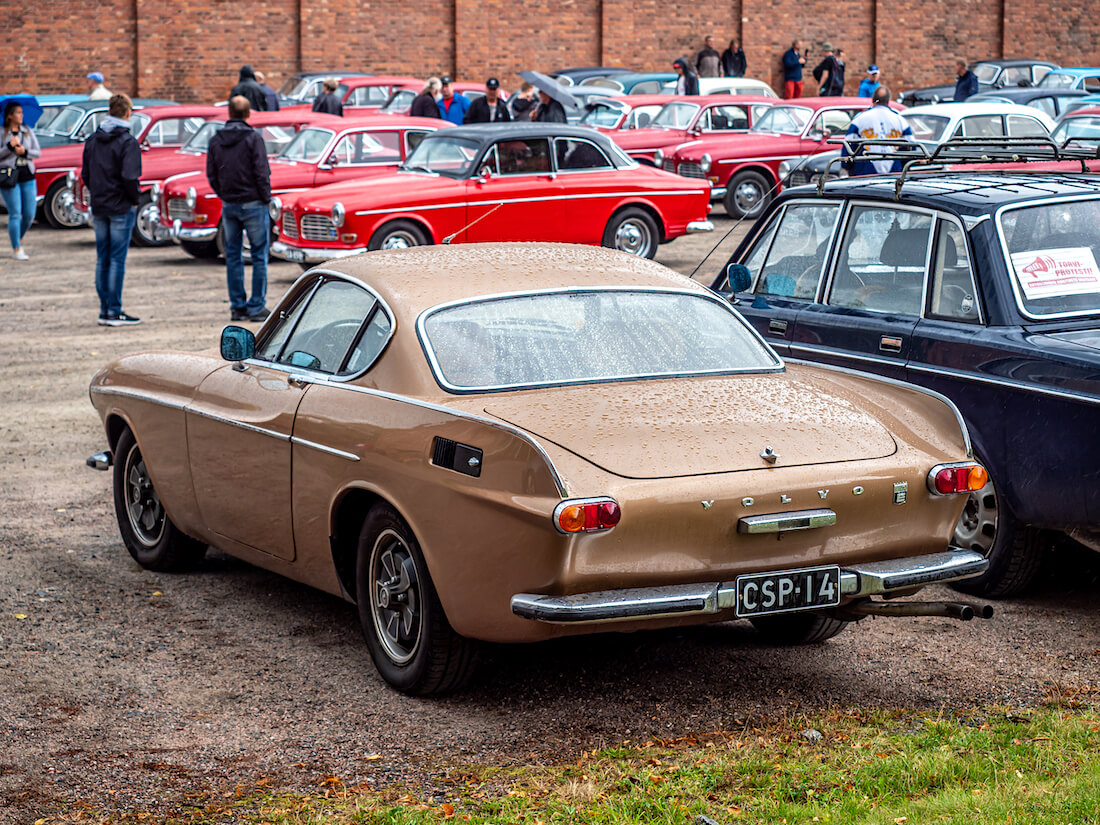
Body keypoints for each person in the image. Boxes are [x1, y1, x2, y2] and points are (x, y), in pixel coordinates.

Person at [207, 96, 271, 323]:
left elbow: (211, 173)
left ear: (229, 113)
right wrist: (266, 198)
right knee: (259, 255)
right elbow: (261, 172)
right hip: (253, 202)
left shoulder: (216, 140)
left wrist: (223, 194)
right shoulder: (253, 138)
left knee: (233, 255)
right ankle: (256, 306)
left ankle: (237, 305)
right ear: (247, 114)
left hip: (230, 203)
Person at [81, 93, 141, 325]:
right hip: (120, 206)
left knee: (102, 258)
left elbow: (85, 173)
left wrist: (97, 192)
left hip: (100, 204)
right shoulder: (127, 142)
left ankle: (105, 309)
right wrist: (134, 199)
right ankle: (114, 310)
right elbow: (130, 176)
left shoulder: (93, 140)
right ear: (127, 113)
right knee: (116, 259)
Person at [841, 86, 913, 176]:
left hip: (864, 173)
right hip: (894, 174)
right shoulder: (900, 120)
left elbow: (848, 146)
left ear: (873, 99)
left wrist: (847, 167)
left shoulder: (859, 119)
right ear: (888, 100)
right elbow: (911, 148)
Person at [1, 100, 41, 261]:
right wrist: (9, 148)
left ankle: (19, 237)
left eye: (22, 112)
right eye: (18, 112)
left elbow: (37, 152)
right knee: (15, 213)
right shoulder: (2, 132)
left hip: (27, 175)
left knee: (30, 214)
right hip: (9, 176)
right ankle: (16, 248)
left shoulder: (27, 131)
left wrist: (25, 151)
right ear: (10, 115)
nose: (21, 115)